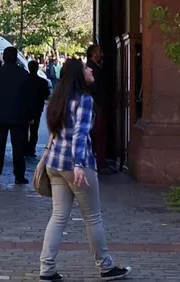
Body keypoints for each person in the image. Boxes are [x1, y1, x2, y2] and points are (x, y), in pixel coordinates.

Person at [37, 58, 131, 281]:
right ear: (80, 75)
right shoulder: (85, 100)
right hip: (76, 165)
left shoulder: (59, 99)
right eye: (86, 67)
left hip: (55, 164)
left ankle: (46, 268)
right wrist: (79, 164)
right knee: (93, 218)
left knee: (58, 216)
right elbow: (80, 135)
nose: (90, 69)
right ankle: (106, 267)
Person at [0, 46, 31, 184]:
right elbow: (30, 98)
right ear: (16, 58)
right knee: (19, 149)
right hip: (19, 118)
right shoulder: (24, 75)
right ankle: (19, 176)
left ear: (3, 57)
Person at [85, 43, 115, 173]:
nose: (102, 54)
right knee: (98, 133)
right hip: (97, 105)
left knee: (100, 133)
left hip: (99, 104)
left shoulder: (96, 67)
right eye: (99, 52)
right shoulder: (91, 69)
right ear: (92, 54)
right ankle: (99, 161)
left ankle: (100, 159)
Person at [25, 59, 51, 160]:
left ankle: (24, 148)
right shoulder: (42, 82)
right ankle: (31, 150)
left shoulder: (24, 80)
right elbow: (47, 95)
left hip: (25, 109)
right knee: (34, 131)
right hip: (36, 109)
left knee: (24, 130)